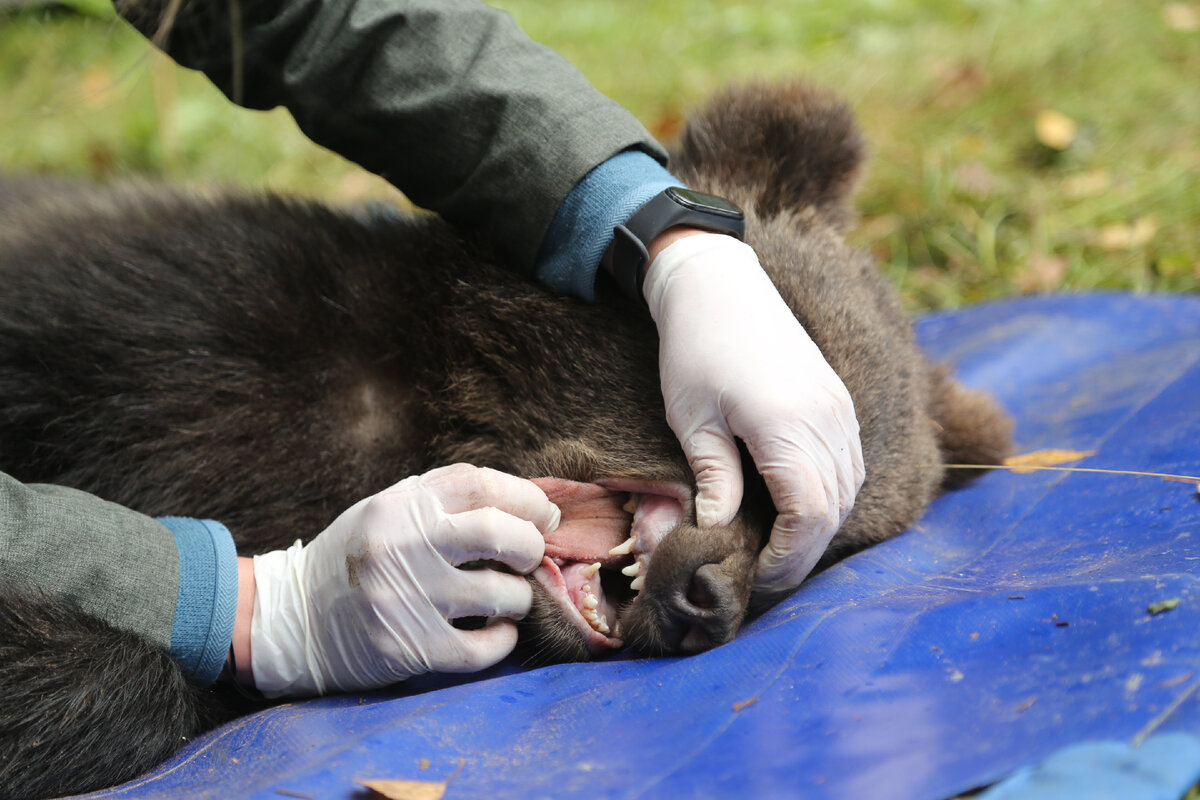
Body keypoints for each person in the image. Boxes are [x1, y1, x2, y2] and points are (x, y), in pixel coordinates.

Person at [0, 0, 864, 698]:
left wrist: (661, 229)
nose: (718, 589)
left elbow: (321, 14)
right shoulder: (245, 318)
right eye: (739, 471)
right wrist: (232, 608)